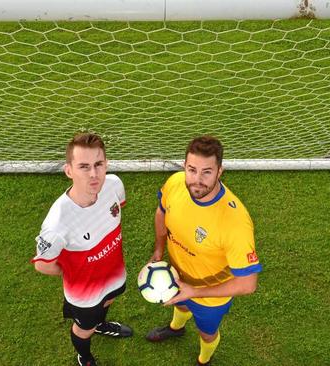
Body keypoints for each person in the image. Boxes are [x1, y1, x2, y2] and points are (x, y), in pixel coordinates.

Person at [146, 135, 261, 366]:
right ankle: (176, 328)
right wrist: (159, 250)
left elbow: (248, 284)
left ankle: (204, 360)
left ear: (220, 171)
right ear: (184, 166)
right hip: (176, 276)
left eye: (207, 172)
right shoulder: (176, 183)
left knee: (206, 332)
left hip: (210, 299)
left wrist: (193, 291)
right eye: (192, 169)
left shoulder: (235, 222)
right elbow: (161, 212)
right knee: (179, 303)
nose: (196, 180)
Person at [31, 133, 132, 366]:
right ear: (69, 171)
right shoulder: (57, 224)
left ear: (106, 164)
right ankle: (84, 357)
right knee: (83, 328)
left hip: (114, 273)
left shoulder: (114, 185)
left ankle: (101, 324)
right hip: (84, 293)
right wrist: (75, 271)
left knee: (108, 301)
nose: (94, 174)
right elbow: (42, 265)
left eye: (98, 165)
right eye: (84, 167)